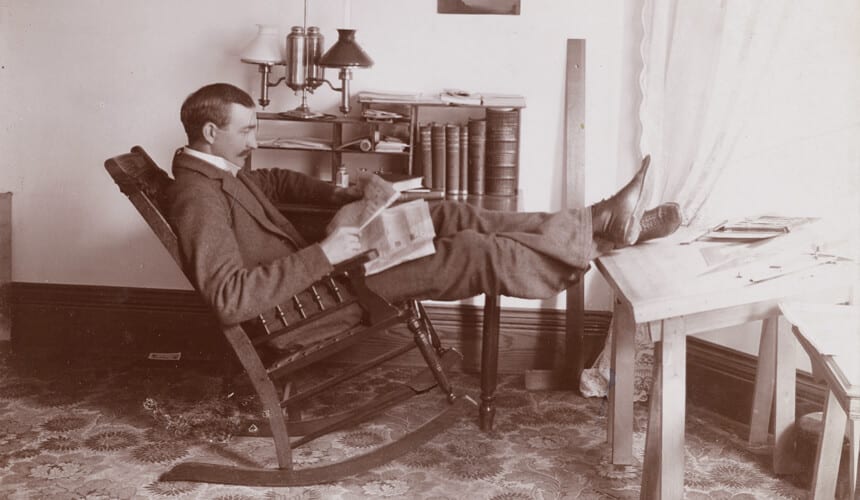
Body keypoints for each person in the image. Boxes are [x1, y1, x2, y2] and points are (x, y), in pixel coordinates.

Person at [167, 83, 681, 341]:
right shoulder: (197, 197)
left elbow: (273, 181)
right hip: (315, 302)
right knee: (473, 252)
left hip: (333, 272)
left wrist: (342, 197)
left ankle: (594, 223)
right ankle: (600, 234)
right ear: (211, 133)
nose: (255, 141)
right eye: (247, 131)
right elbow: (231, 299)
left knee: (444, 213)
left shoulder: (220, 169)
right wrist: (324, 254)